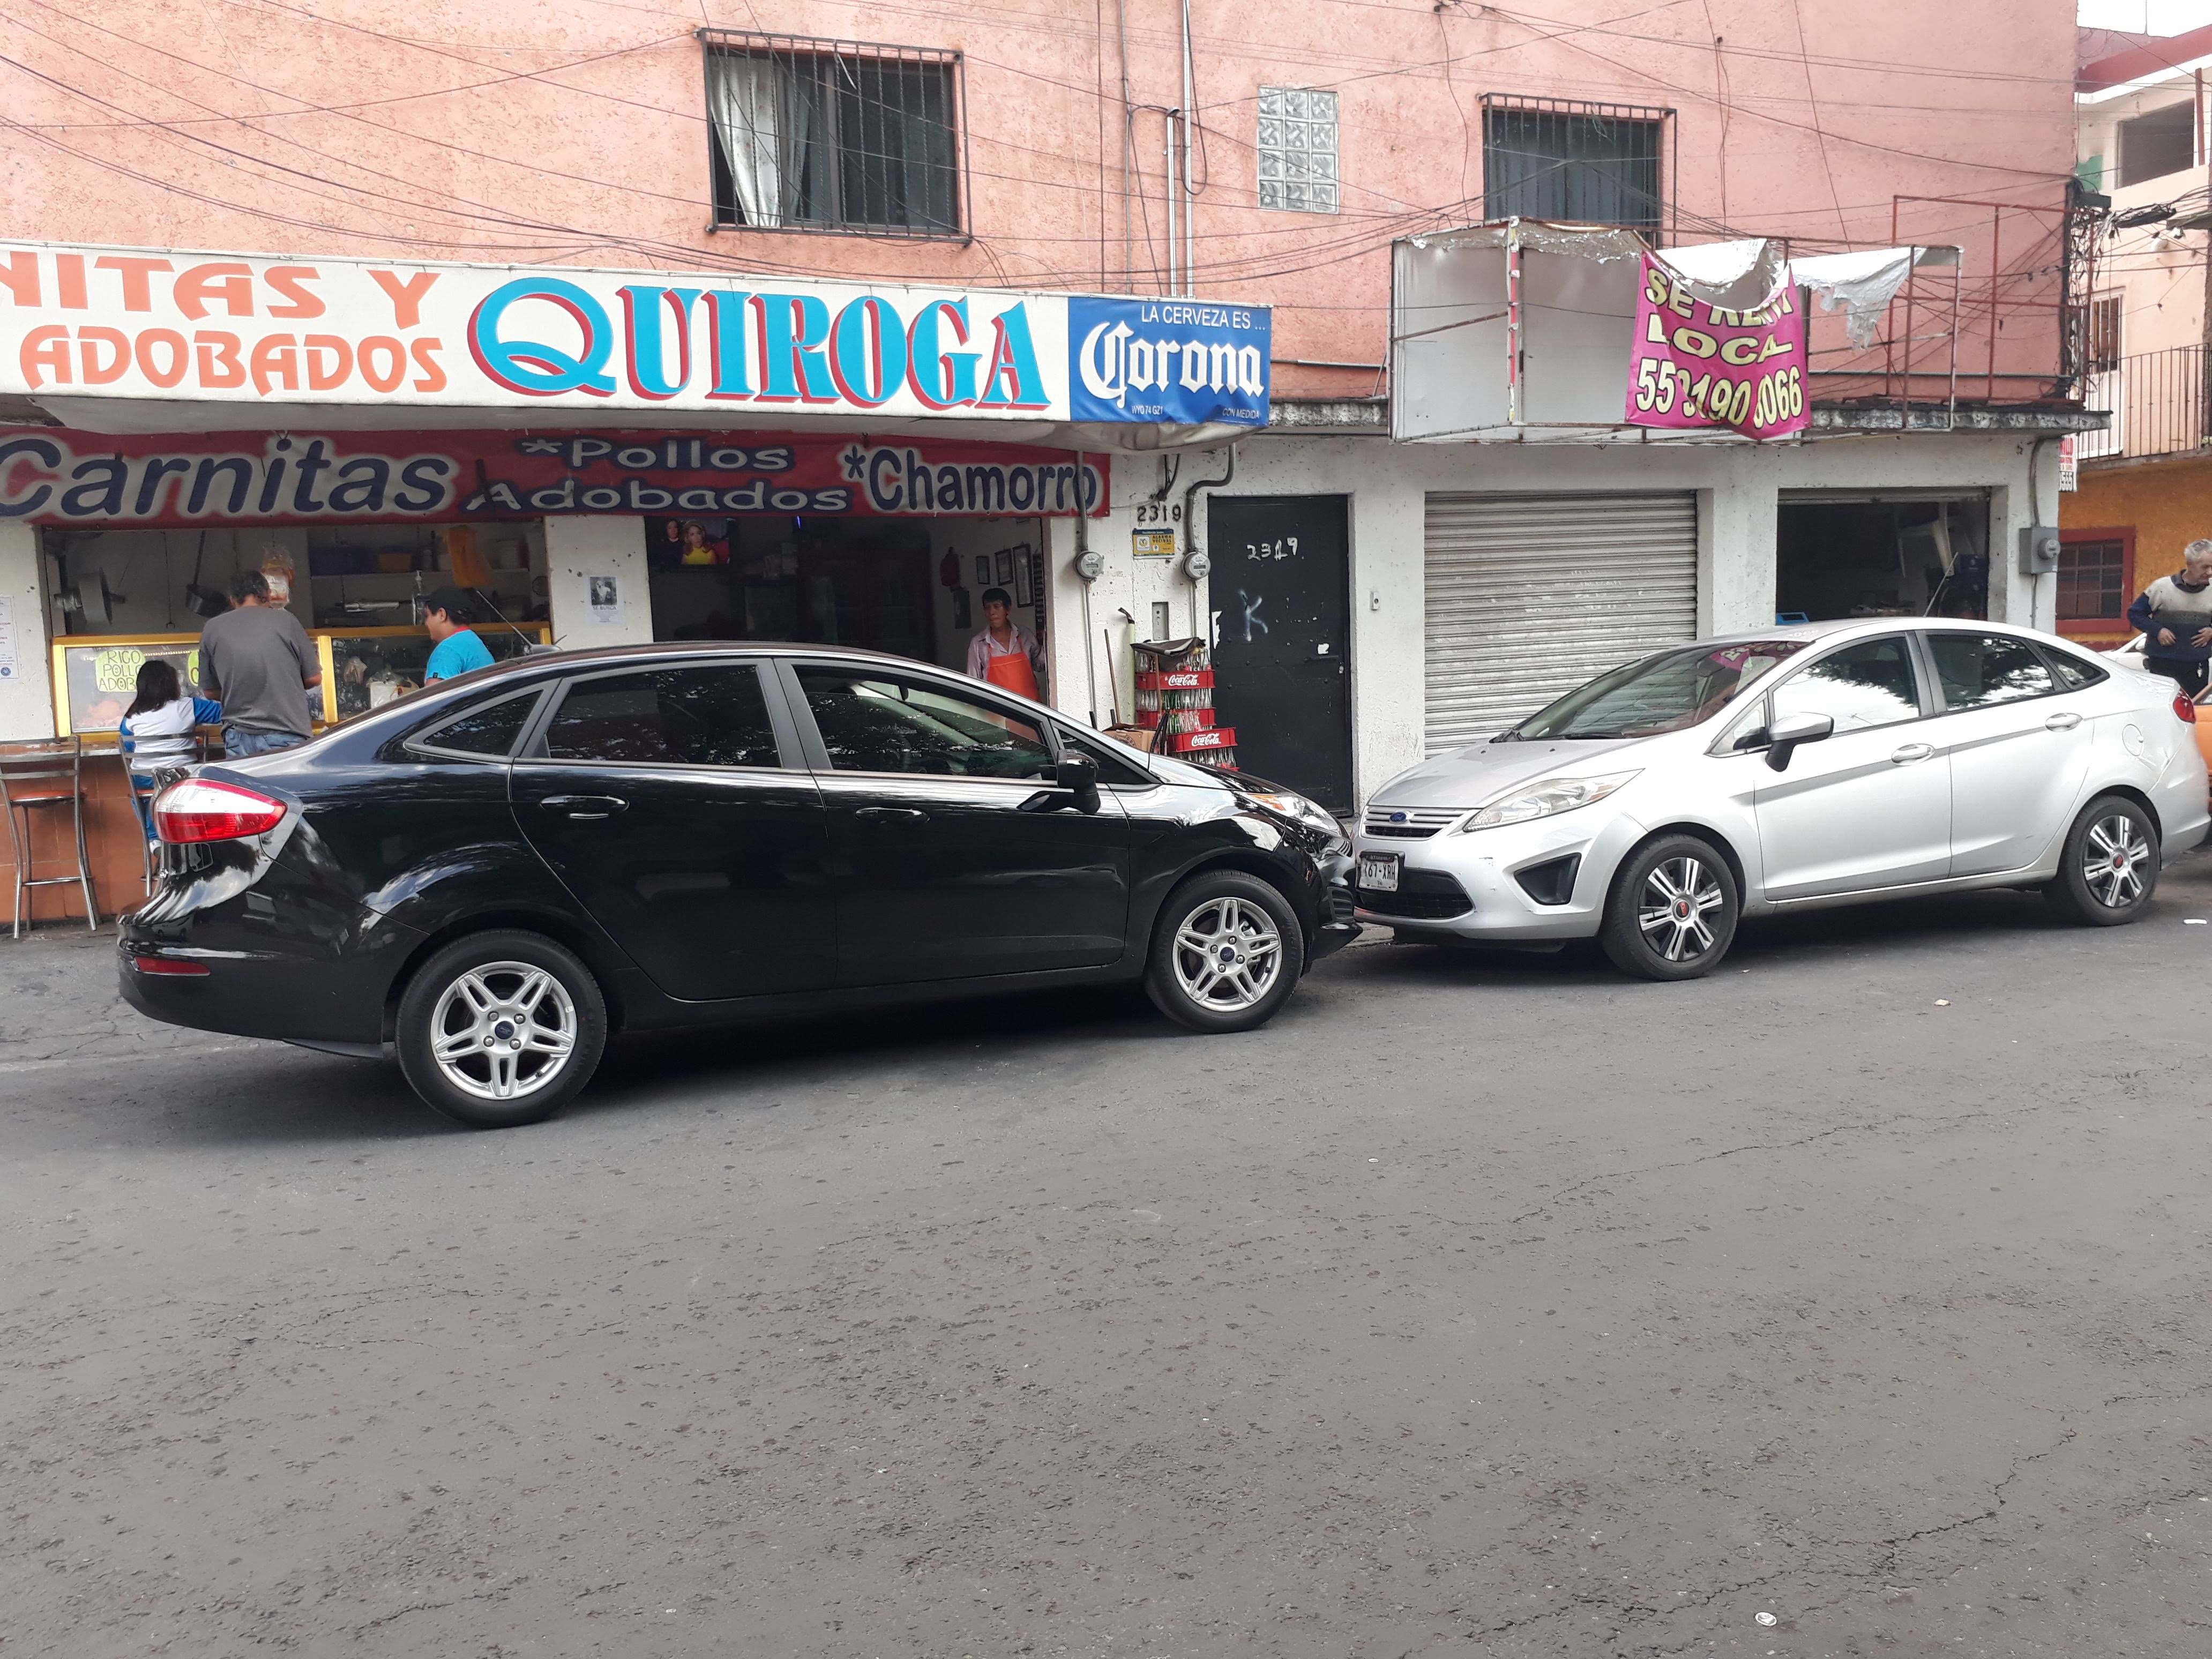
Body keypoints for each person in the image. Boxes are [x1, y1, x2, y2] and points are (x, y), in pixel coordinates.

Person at [199, 571, 320, 756]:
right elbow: (313, 678)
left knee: (242, 787)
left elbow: (210, 691)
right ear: (268, 596)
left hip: (238, 736)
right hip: (286, 732)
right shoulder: (287, 621)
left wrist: (242, 687)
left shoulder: (212, 628)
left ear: (233, 600)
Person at [117, 659, 221, 835]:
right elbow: (226, 713)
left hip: (146, 780)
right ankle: (194, 834)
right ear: (171, 684)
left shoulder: (131, 716)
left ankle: (153, 838)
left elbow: (128, 748)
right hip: (184, 777)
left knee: (139, 796)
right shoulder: (189, 706)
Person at [2126, 539, 2212, 695]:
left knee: (2194, 712)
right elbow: (2135, 614)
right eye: (2205, 567)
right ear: (2190, 565)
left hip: (2197, 665)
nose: (2210, 572)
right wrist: (2158, 630)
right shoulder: (2162, 588)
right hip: (2162, 664)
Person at [965, 586, 1047, 700]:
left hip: (1030, 710)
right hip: (995, 712)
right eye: (987, 608)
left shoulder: (1024, 635)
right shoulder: (978, 643)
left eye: (997, 607)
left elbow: (1040, 665)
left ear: (1008, 609)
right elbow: (973, 684)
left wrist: (1048, 641)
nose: (992, 612)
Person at [423, 587, 496, 682]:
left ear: (442, 615)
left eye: (428, 616)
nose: (426, 623)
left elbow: (433, 694)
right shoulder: (475, 642)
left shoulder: (447, 649)